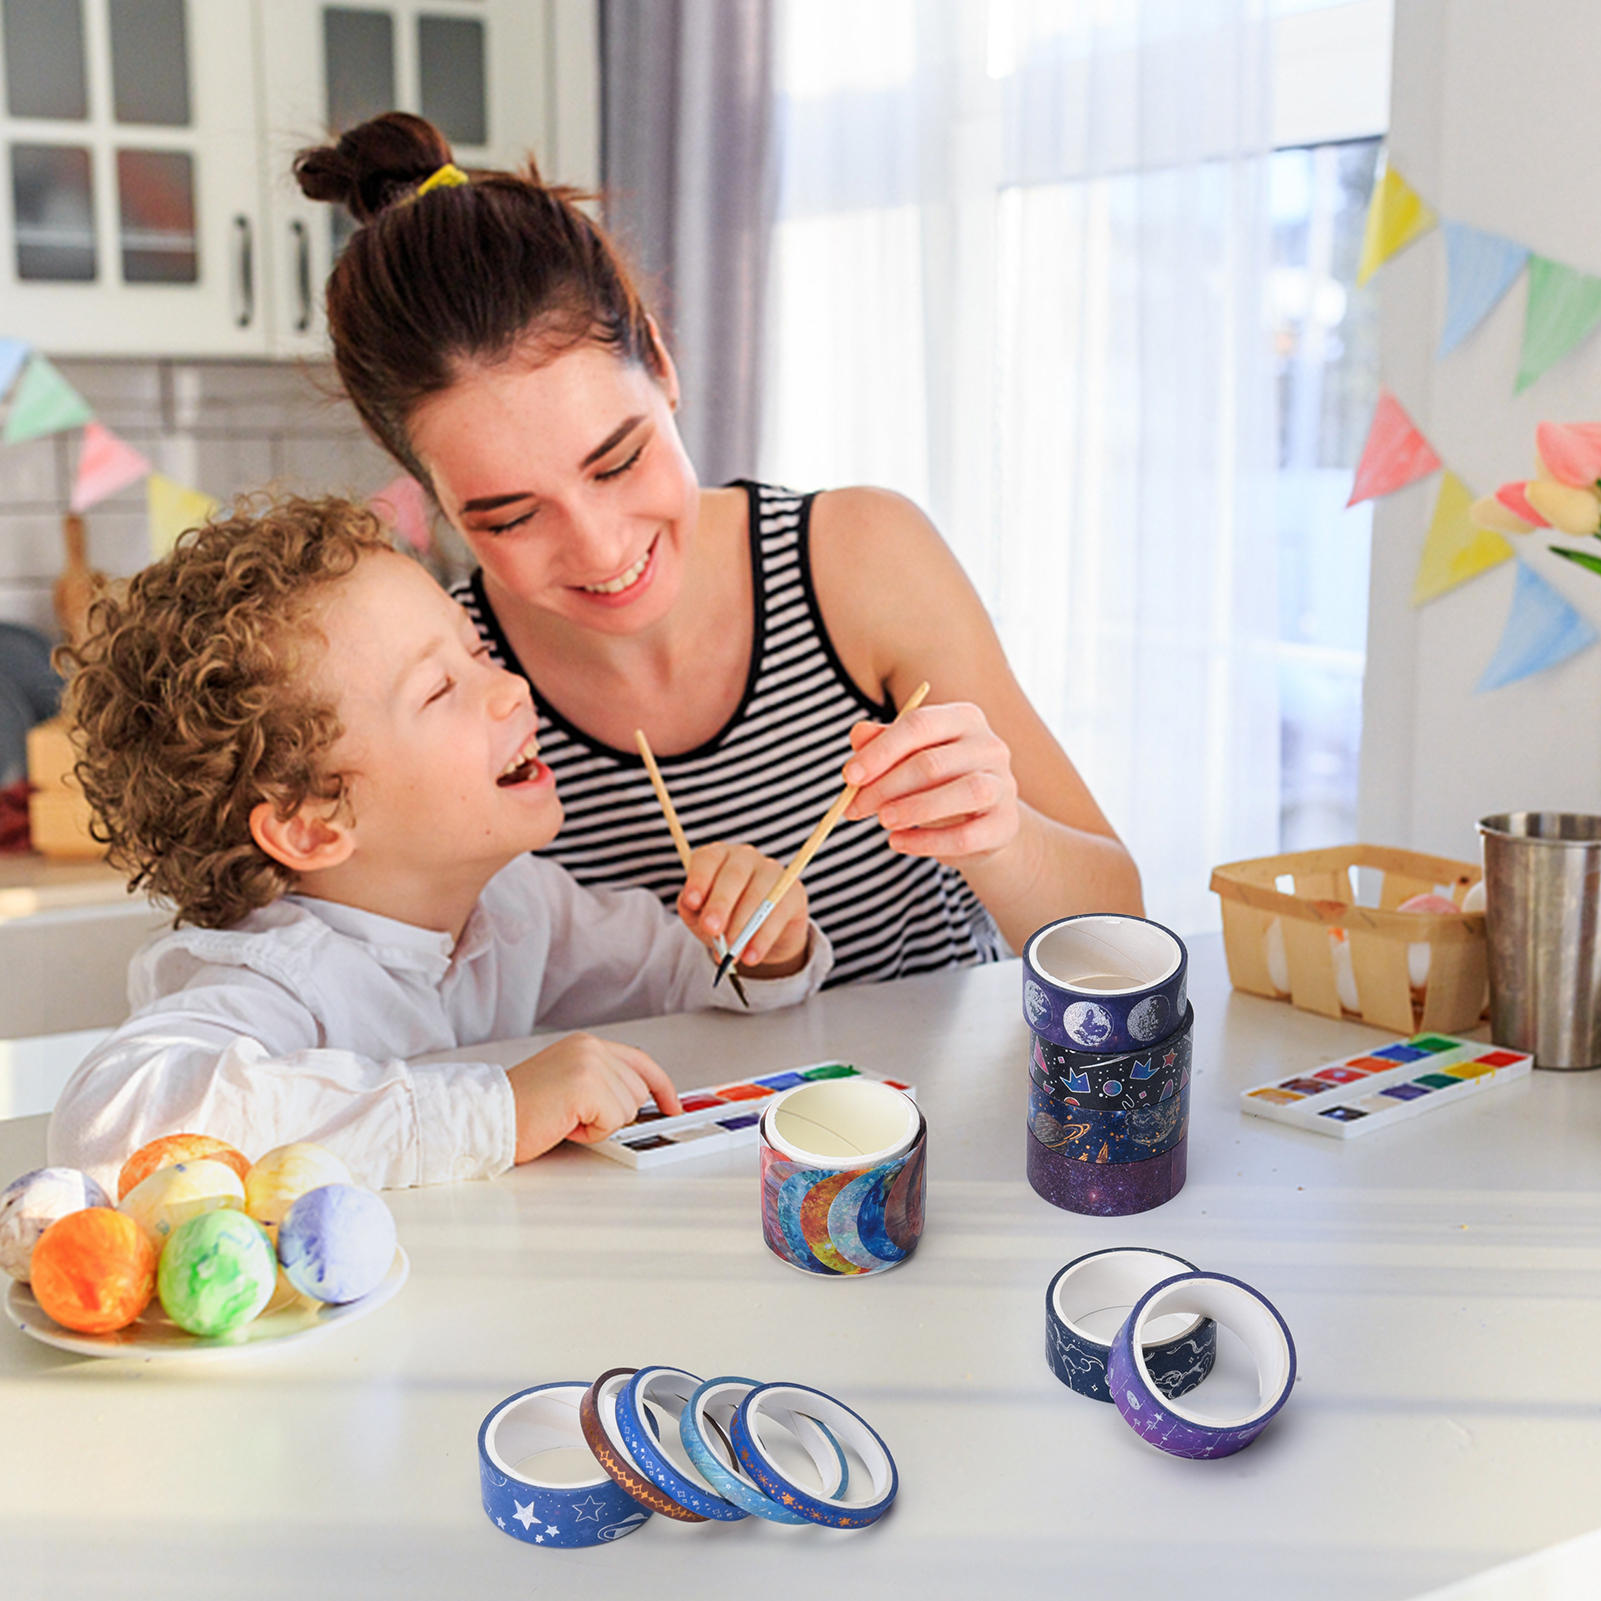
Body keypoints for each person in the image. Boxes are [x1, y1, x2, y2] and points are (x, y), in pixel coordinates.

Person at [292, 114, 1143, 989]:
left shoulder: (859, 559)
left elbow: (1121, 935)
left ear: (659, 362)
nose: (600, 547)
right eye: (509, 517)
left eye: (617, 461)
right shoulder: (444, 689)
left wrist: (998, 833)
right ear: (429, 495)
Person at [47, 498, 830, 1195]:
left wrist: (758, 945)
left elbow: (689, 988)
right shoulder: (275, 977)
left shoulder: (522, 905)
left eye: (478, 652)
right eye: (438, 690)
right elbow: (111, 1125)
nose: (511, 688)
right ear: (313, 824)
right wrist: (497, 1109)